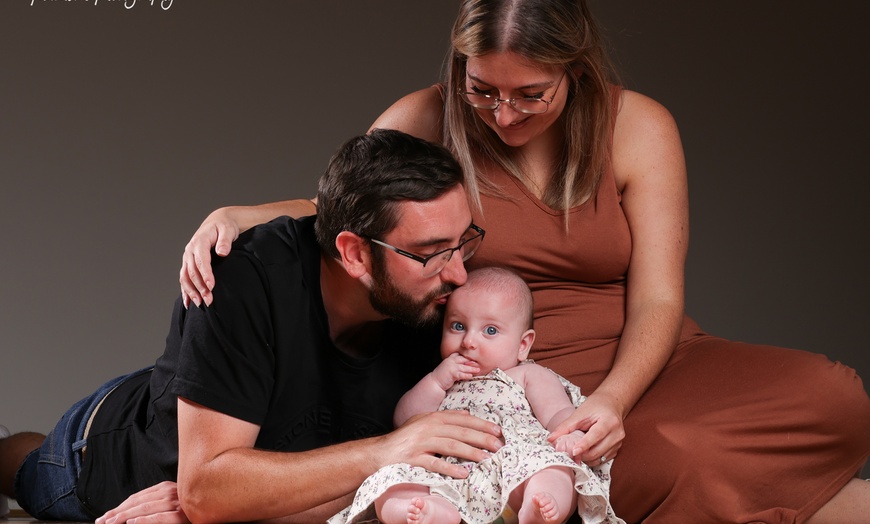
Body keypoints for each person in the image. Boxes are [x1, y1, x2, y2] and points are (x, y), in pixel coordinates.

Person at [175, 1, 870, 522]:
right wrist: (244, 213)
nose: (502, 115)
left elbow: (659, 298)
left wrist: (615, 399)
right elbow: (352, 210)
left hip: (646, 360)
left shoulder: (639, 126)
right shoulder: (426, 115)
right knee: (685, 458)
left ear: (577, 69)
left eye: (530, 94)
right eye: (483, 90)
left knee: (837, 395)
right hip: (522, 386)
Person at [0, 129, 506, 523]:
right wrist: (388, 454)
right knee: (25, 464)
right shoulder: (244, 276)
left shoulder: (433, 302)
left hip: (231, 408)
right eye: (431, 253)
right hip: (112, 450)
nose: (459, 272)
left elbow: (453, 479)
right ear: (354, 254)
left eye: (463, 242)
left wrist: (236, 505)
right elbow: (207, 492)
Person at [331, 267, 621, 524]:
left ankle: (540, 507)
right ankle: (428, 513)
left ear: (523, 345)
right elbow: (405, 419)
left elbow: (557, 413)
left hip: (511, 465)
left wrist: (569, 435)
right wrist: (436, 380)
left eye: (490, 330)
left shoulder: (527, 375)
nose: (469, 341)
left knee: (553, 467)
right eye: (458, 326)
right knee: (392, 480)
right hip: (447, 473)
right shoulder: (443, 379)